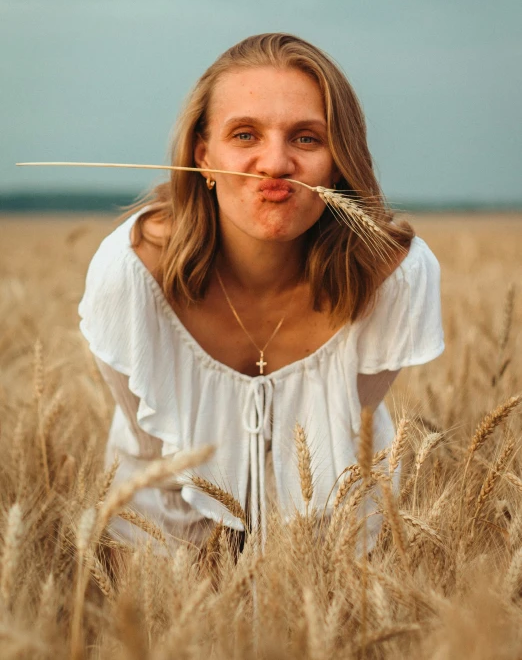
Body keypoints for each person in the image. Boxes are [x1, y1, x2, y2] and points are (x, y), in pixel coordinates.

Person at [78, 32, 444, 555]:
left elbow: (343, 435)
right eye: (245, 135)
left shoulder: (393, 277)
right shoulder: (132, 274)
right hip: (160, 545)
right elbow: (147, 448)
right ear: (203, 157)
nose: (275, 164)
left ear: (338, 162)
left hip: (336, 554)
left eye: (307, 139)